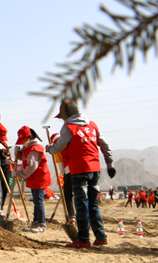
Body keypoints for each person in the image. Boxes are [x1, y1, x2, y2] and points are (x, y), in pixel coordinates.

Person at [46, 101, 116, 249]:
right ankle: (101, 236)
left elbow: (60, 146)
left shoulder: (68, 128)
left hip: (79, 170)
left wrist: (50, 148)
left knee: (81, 205)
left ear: (67, 115)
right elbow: (104, 144)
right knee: (93, 204)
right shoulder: (92, 125)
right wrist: (110, 164)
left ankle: (83, 239)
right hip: (95, 169)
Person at [14, 127, 51, 232]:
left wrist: (18, 174)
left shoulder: (36, 148)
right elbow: (22, 157)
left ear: (30, 137)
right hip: (32, 177)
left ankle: (42, 224)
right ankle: (35, 222)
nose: (23, 143)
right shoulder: (27, 147)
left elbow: (32, 166)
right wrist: (17, 152)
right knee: (35, 200)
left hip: (39, 177)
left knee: (38, 201)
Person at [49, 132, 76, 226]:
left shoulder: (56, 146)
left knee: (67, 195)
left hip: (69, 170)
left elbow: (60, 164)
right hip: (80, 168)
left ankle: (72, 218)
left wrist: (63, 176)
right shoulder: (69, 139)